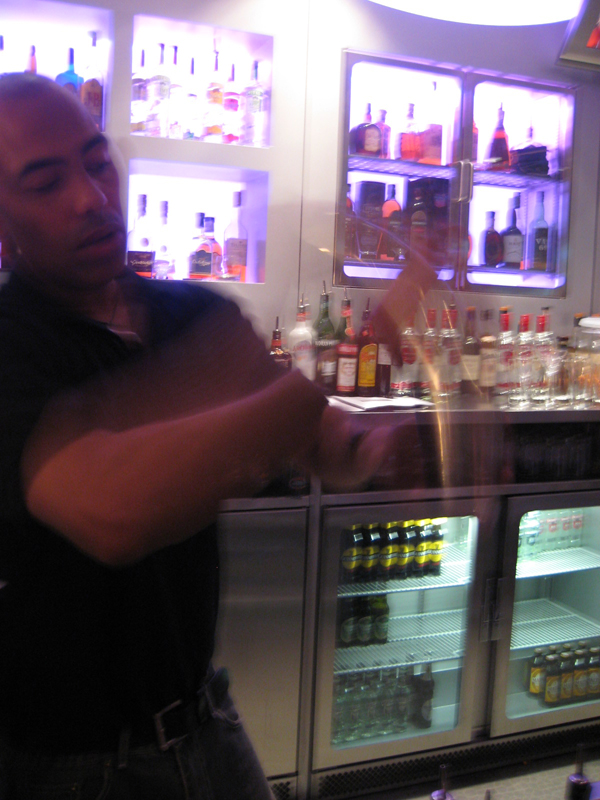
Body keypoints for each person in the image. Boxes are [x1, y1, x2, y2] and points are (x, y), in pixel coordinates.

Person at [0, 73, 436, 799]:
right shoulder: (13, 346)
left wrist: (376, 449)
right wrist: (353, 348)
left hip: (208, 730)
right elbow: (112, 512)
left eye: (97, 161)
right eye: (45, 183)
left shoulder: (189, 310)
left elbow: (319, 439)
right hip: (67, 768)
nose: (92, 197)